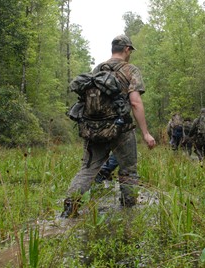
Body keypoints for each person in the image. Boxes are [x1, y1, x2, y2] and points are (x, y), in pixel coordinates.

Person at [61, 35, 156, 218]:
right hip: (122, 131)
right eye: (130, 51)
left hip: (94, 130)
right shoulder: (131, 70)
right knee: (128, 171)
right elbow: (135, 103)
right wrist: (145, 133)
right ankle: (129, 213)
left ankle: (69, 208)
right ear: (127, 49)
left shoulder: (97, 70)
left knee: (87, 170)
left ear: (113, 49)